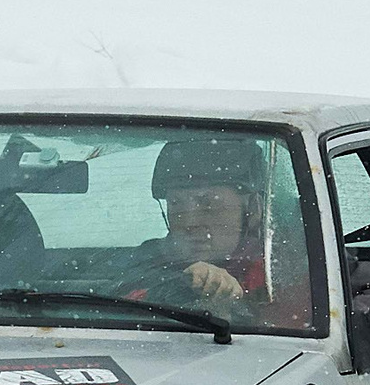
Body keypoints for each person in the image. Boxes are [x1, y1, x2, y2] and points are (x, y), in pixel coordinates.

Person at [127, 138, 312, 329]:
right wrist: (175, 288)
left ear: (254, 210)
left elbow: (282, 345)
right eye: (176, 204)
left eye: (208, 204)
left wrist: (231, 309)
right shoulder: (145, 261)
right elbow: (115, 307)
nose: (189, 223)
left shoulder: (283, 274)